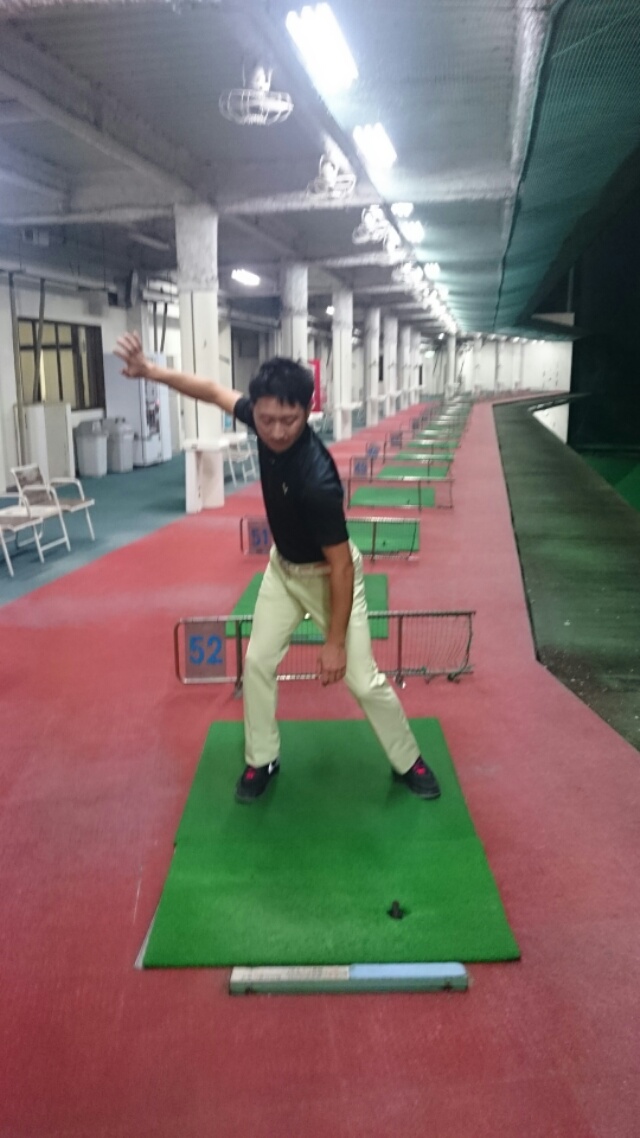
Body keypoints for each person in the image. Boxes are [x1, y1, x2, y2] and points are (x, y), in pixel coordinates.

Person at [115, 334, 441, 805]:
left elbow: (341, 567)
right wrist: (151, 371)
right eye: (266, 420)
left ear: (308, 411)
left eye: (289, 420)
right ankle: (262, 758)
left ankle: (409, 759)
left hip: (329, 578)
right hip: (284, 571)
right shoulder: (262, 415)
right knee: (256, 664)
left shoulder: (317, 480)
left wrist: (333, 644)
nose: (276, 431)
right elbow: (211, 390)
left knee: (362, 679)